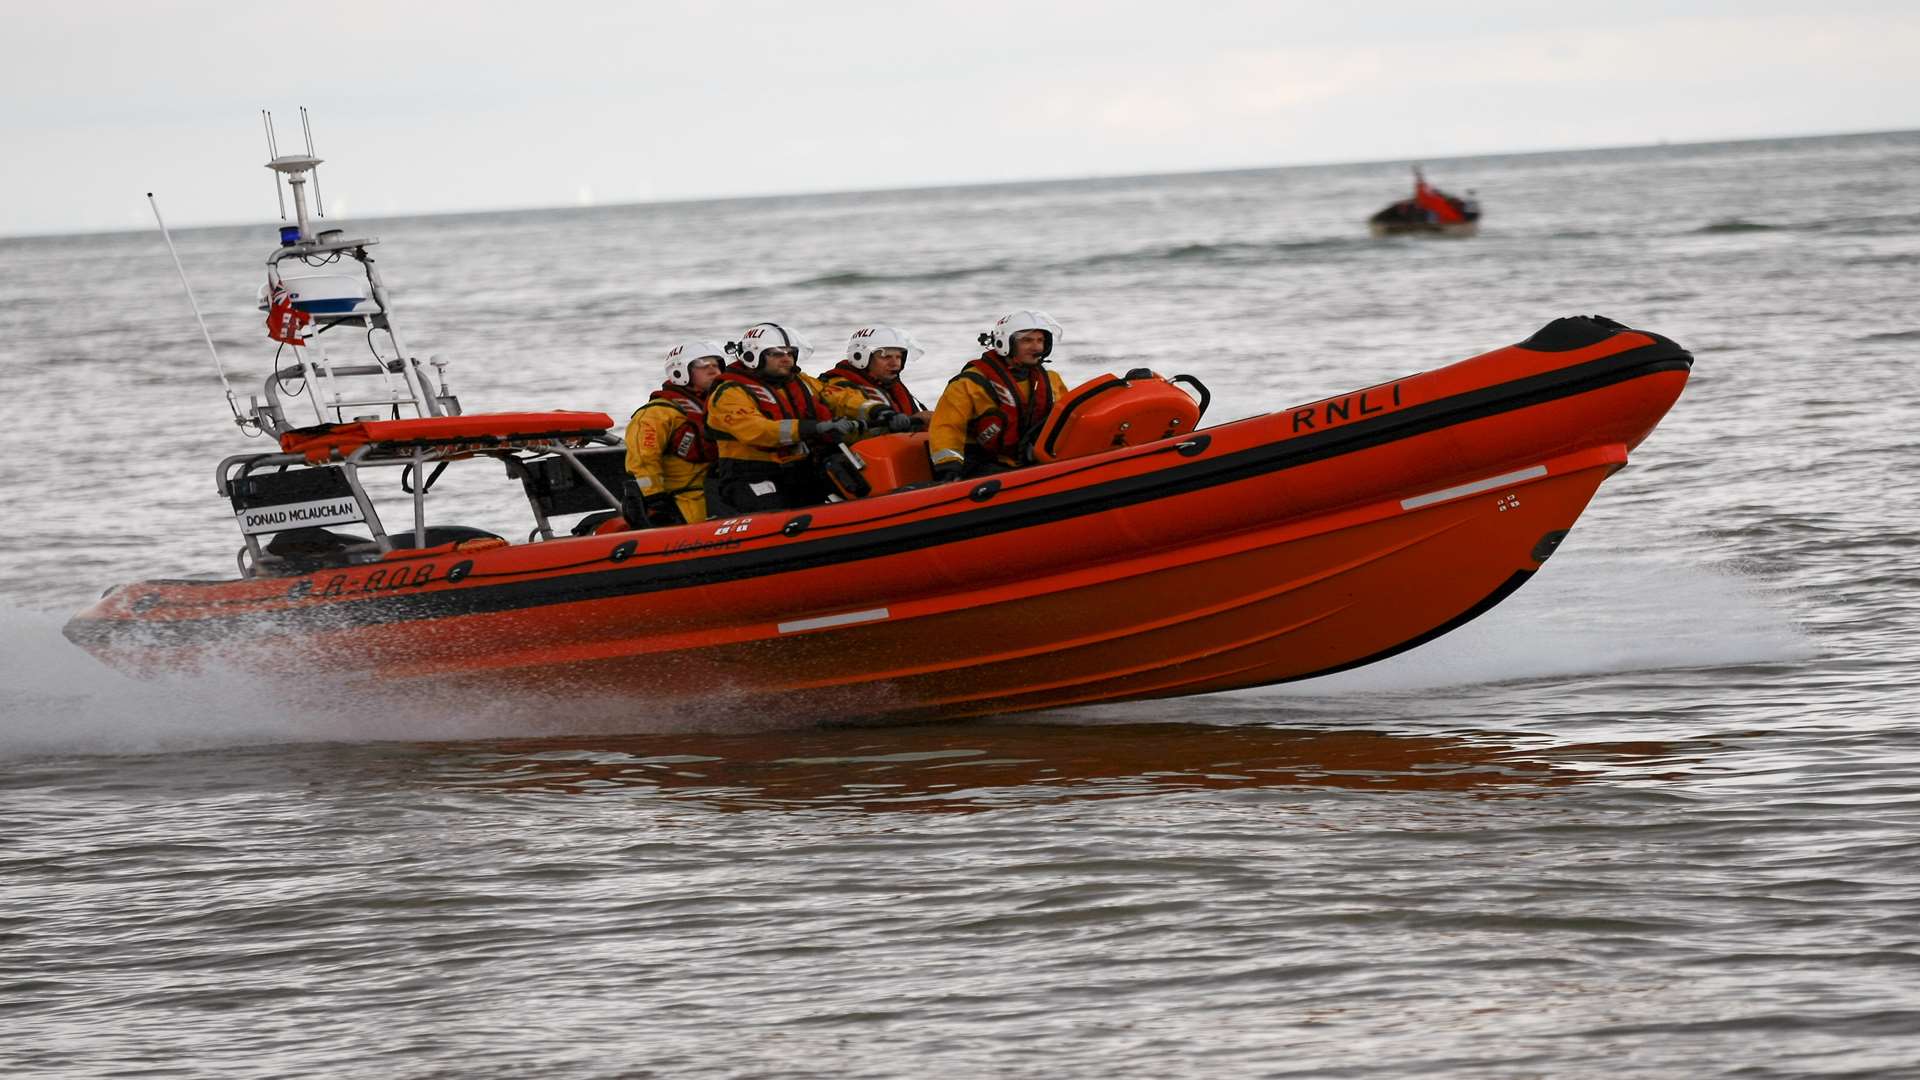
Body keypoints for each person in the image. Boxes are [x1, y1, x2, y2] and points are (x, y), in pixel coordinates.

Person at [704, 321, 916, 513]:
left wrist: (877, 410)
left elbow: (838, 397)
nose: (786, 358)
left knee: (850, 497)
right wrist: (812, 428)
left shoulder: (800, 381)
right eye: (777, 354)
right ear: (753, 357)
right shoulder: (729, 393)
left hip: (800, 468)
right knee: (774, 513)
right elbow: (756, 430)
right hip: (751, 474)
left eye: (790, 353)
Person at [927, 309, 1069, 481]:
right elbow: (947, 426)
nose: (1037, 347)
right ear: (1005, 343)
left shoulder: (1051, 380)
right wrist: (949, 467)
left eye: (1041, 340)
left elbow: (1067, 418)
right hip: (981, 464)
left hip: (1029, 459)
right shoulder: (970, 384)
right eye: (1027, 340)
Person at [622, 340, 723, 526]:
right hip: (683, 501)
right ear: (680, 370)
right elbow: (643, 460)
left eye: (717, 365)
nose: (713, 370)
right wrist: (655, 499)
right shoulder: (656, 414)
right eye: (704, 365)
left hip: (718, 494)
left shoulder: (720, 406)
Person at [821, 325, 932, 436]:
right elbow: (851, 403)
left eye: (898, 357)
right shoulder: (838, 384)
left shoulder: (891, 386)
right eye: (886, 357)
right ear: (860, 357)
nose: (895, 363)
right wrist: (885, 414)